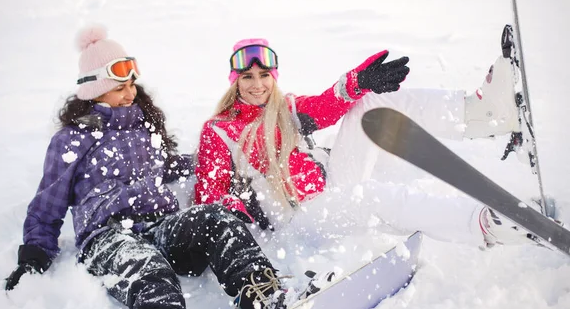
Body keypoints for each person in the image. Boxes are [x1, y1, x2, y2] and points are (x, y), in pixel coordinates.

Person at [4, 25, 293, 309]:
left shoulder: (143, 127)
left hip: (160, 225)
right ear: (94, 91)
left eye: (131, 84)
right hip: (107, 237)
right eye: (119, 88)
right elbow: (49, 201)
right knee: (148, 269)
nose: (130, 94)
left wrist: (219, 157)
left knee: (215, 219)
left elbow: (166, 166)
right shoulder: (72, 139)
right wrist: (33, 255)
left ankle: (264, 299)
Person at [193, 34, 535, 249]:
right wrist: (247, 211)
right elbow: (210, 200)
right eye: (248, 77)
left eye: (264, 76)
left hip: (332, 185)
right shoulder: (219, 131)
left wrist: (359, 81)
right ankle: (484, 224)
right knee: (372, 197)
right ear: (234, 82)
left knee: (371, 104)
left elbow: (326, 107)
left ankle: (484, 113)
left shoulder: (285, 109)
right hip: (301, 220)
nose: (257, 85)